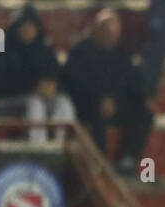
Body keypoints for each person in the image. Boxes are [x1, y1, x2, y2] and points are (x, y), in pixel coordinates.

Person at [62, 11, 154, 172]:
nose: (109, 35)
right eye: (105, 30)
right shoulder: (80, 52)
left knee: (144, 113)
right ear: (96, 29)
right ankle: (100, 163)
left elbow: (133, 82)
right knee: (98, 114)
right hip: (87, 105)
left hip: (117, 104)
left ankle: (127, 159)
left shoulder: (122, 53)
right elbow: (73, 83)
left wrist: (141, 98)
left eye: (113, 31)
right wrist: (99, 99)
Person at [0, 3, 75, 144]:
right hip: (8, 101)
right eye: (23, 25)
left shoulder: (44, 49)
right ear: (15, 27)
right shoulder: (2, 48)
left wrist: (53, 87)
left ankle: (59, 145)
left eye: (31, 26)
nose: (27, 29)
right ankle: (39, 147)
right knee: (35, 103)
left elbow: (59, 76)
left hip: (39, 99)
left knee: (64, 102)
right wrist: (33, 87)